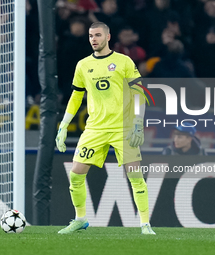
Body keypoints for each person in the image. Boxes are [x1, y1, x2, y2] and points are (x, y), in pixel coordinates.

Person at [55, 21, 155, 235]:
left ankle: (145, 224)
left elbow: (139, 93)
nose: (94, 39)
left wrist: (138, 122)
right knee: (75, 175)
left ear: (108, 37)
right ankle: (81, 219)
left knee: (135, 176)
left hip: (123, 127)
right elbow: (76, 96)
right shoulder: (83, 65)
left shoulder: (124, 61)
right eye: (91, 35)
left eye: (98, 35)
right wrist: (64, 124)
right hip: (95, 128)